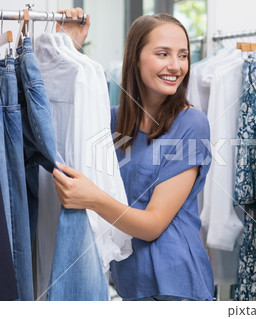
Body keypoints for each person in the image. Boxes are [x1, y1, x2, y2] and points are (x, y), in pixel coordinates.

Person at [53, 8, 214, 301]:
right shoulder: (111, 120)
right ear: (135, 58)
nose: (176, 66)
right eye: (163, 54)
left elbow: (152, 225)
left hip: (176, 286)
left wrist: (91, 197)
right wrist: (68, 47)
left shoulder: (191, 123)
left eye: (183, 55)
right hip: (128, 282)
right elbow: (61, 112)